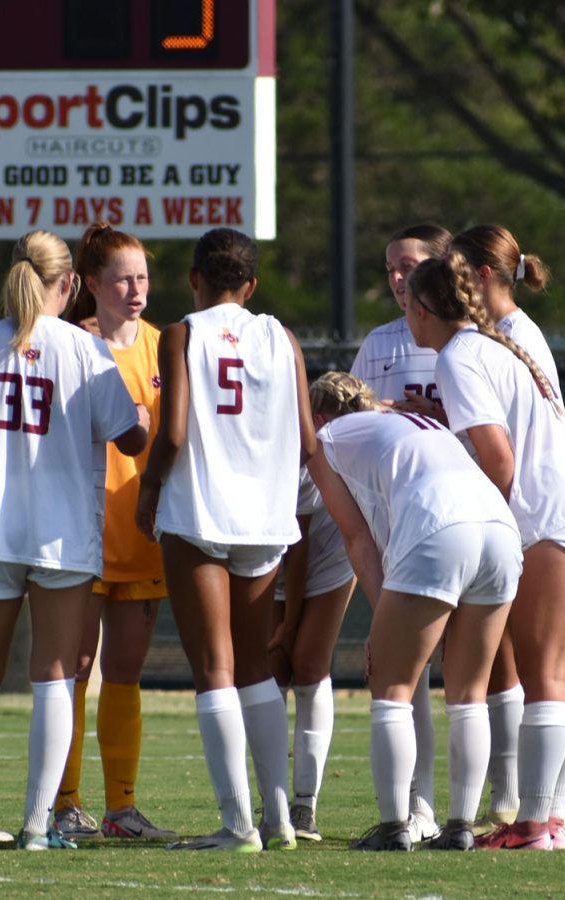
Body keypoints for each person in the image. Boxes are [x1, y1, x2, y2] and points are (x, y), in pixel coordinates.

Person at [0, 230, 148, 850]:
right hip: (61, 537)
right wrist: (146, 420)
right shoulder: (84, 348)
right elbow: (130, 439)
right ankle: (35, 827)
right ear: (70, 284)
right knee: (54, 677)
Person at [407, 251, 565, 850]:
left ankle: (532, 825)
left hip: (554, 520)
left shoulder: (457, 355)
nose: (406, 321)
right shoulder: (500, 341)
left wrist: (487, 528)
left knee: (545, 679)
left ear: (424, 310)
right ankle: (550, 822)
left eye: (408, 309)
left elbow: (500, 461)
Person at [136, 227, 316, 852]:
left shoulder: (183, 333)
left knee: (214, 670)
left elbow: (176, 432)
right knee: (256, 669)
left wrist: (148, 488)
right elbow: (308, 439)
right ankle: (279, 820)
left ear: (194, 278)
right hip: (264, 518)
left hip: (200, 512)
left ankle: (238, 827)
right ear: (253, 284)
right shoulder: (282, 337)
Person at [305, 372, 522, 851]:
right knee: (469, 692)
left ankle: (393, 827)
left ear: (319, 416)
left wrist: (386, 623)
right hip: (500, 529)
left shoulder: (323, 438)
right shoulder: (409, 422)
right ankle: (461, 828)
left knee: (391, 688)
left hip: (440, 525)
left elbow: (356, 537)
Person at [50, 223, 177, 843]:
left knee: (124, 672)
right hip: (81, 532)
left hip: (143, 533)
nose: (136, 289)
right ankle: (65, 803)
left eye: (143, 277)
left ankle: (121, 809)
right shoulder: (72, 343)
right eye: (124, 278)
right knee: (75, 668)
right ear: (92, 284)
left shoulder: (163, 346)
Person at [446, 224, 560, 837]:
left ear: (483, 275)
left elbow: (507, 451)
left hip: (529, 514)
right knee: (533, 668)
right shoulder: (509, 335)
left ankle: (529, 811)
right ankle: (532, 810)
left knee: (537, 670)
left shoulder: (501, 338)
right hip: (537, 511)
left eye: (458, 271)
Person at [349, 222, 453, 841]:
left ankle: (507, 805)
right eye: (389, 266)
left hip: (461, 520)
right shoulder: (381, 342)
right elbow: (357, 424)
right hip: (399, 526)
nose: (396, 278)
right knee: (407, 673)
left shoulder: (467, 342)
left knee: (478, 672)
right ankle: (422, 805)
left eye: (409, 265)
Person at [268, 465, 355, 843]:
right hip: (267, 548)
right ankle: (272, 804)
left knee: (308, 664)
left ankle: (305, 806)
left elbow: (300, 546)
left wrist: (290, 621)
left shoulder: (305, 456)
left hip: (329, 548)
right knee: (271, 669)